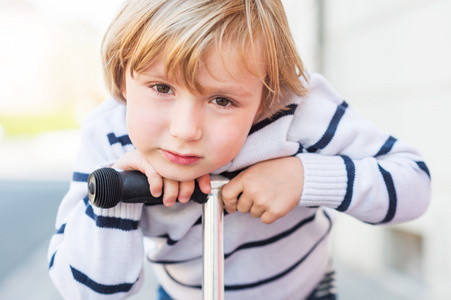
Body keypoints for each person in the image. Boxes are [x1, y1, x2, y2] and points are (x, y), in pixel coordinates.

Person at [47, 0, 431, 299]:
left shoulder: (295, 111)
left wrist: (303, 176)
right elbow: (89, 290)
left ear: (265, 97)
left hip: (302, 292)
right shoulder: (109, 136)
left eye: (222, 100)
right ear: (121, 76)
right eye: (162, 88)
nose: (185, 131)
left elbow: (414, 184)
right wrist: (121, 194)